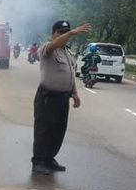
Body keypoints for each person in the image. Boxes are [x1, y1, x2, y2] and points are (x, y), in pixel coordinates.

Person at [32, 20, 91, 175]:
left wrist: (75, 94)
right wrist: (72, 33)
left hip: (63, 98)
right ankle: (38, 161)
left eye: (67, 31)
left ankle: (49, 159)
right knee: (44, 129)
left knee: (58, 130)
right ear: (54, 34)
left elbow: (70, 74)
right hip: (47, 97)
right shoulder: (48, 48)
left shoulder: (68, 53)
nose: (65, 34)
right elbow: (53, 45)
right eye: (62, 32)